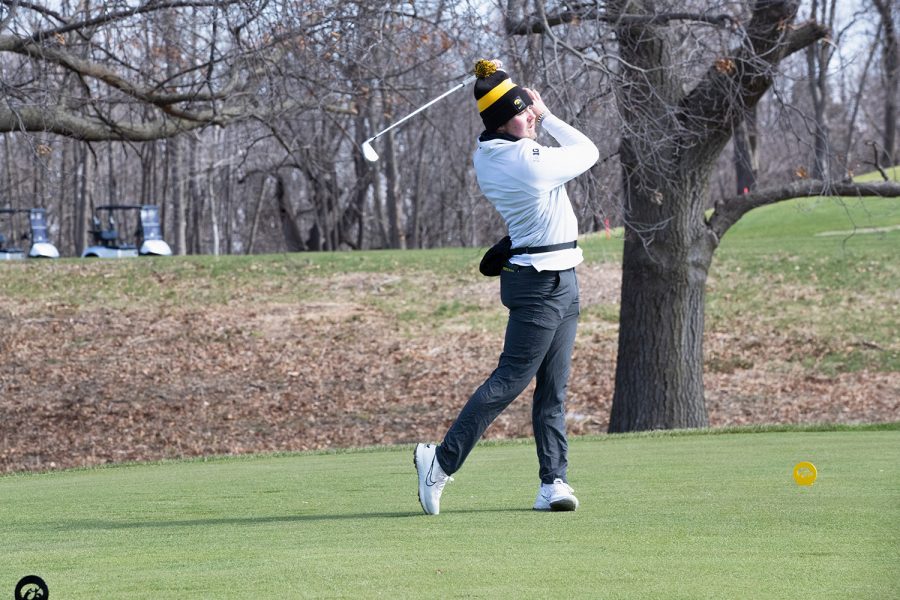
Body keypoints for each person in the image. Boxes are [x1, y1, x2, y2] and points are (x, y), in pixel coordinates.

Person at [415, 59, 599, 515]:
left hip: (562, 278)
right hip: (539, 286)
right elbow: (589, 150)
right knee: (509, 382)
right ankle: (439, 462)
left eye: (531, 110)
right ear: (501, 122)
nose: (532, 116)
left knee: (553, 390)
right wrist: (550, 113)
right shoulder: (521, 160)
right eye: (523, 112)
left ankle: (553, 482)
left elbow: (529, 130)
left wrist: (520, 102)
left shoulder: (498, 148)